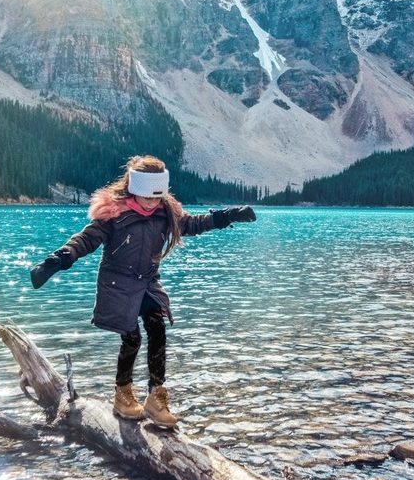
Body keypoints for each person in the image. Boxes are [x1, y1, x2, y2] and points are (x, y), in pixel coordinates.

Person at [29, 155, 256, 428]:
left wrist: (227, 216)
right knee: (132, 338)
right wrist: (59, 259)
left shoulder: (165, 211)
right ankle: (123, 394)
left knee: (157, 328)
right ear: (134, 189)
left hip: (147, 282)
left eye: (157, 197)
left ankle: (156, 397)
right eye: (147, 197)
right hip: (118, 285)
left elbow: (192, 224)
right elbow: (86, 239)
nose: (152, 203)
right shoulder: (114, 213)